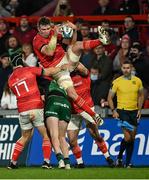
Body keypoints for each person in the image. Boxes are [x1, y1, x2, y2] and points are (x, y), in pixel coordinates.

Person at [33, 16, 110, 124]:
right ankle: (94, 115)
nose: (46, 32)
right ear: (38, 28)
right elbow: (49, 52)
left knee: (78, 47)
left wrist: (74, 30)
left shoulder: (53, 30)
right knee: (72, 93)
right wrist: (54, 35)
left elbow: (71, 43)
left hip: (65, 58)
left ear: (50, 27)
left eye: (47, 29)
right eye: (43, 29)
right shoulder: (37, 40)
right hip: (56, 69)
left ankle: (101, 40)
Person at [7, 55, 69, 169]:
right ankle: (46, 162)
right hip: (35, 106)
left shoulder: (10, 79)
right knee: (46, 135)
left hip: (22, 110)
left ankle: (12, 163)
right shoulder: (29, 70)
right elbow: (48, 72)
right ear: (22, 63)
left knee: (24, 137)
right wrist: (61, 68)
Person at [67, 67, 114, 168]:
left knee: (95, 134)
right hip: (74, 112)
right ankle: (80, 163)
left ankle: (108, 158)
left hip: (88, 109)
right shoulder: (65, 80)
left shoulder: (85, 76)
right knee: (71, 140)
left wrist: (73, 61)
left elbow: (81, 67)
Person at [108, 61, 144, 168]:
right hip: (122, 111)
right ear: (121, 68)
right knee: (128, 138)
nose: (126, 70)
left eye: (128, 68)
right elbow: (109, 98)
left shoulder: (137, 81)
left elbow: (141, 95)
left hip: (134, 111)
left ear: (131, 68)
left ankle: (126, 162)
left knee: (132, 138)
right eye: (124, 68)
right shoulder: (117, 82)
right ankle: (121, 159)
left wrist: (139, 109)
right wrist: (113, 110)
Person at [44, 80, 71, 169]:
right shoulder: (67, 81)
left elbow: (42, 97)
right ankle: (68, 164)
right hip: (65, 103)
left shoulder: (48, 79)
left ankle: (60, 160)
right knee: (62, 137)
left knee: (54, 136)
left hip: (53, 101)